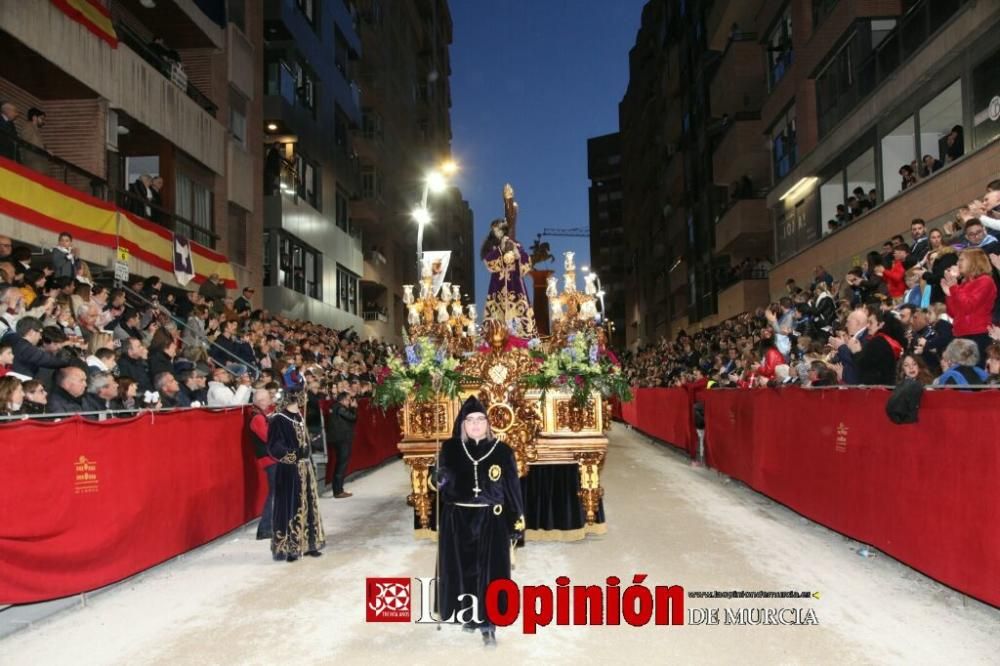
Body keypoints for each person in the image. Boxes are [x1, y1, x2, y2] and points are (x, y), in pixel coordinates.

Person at [434, 396, 525, 647]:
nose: (475, 425)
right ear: (462, 424)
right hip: (458, 519)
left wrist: (516, 522)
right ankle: (470, 615)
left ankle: (489, 623)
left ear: (488, 423)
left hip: (491, 519)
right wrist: (438, 478)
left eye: (480, 420)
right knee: (465, 570)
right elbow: (443, 482)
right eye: (470, 420)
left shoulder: (503, 451)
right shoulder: (451, 450)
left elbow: (513, 490)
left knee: (491, 573)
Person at [268, 390, 325, 562]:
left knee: (309, 504)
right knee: (291, 506)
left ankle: (309, 543)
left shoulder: (300, 416)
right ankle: (291, 547)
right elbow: (274, 446)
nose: (306, 398)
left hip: (305, 468)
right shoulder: (279, 418)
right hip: (290, 471)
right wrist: (293, 454)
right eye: (303, 395)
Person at [481, 184, 537, 339]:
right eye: (494, 230)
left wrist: (517, 255)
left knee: (518, 319)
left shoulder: (516, 245)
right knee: (496, 319)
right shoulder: (494, 247)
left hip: (515, 286)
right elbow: (489, 263)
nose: (496, 232)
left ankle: (521, 341)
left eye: (499, 229)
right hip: (497, 286)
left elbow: (526, 264)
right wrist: (501, 254)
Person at [942, 248, 996, 366]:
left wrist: (954, 288)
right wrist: (949, 294)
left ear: (974, 261)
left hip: (978, 334)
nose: (957, 264)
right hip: (960, 334)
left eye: (961, 260)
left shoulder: (985, 281)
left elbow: (968, 306)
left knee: (977, 374)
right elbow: (953, 313)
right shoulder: (962, 284)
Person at [248, 388, 277, 540]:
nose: (270, 401)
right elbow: (268, 437)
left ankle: (269, 526)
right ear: (260, 401)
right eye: (267, 398)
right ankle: (265, 528)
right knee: (275, 493)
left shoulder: (261, 416)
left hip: (272, 458)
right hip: (270, 459)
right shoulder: (257, 418)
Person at [325, 390, 356, 498]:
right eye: (349, 400)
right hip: (342, 439)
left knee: (340, 464)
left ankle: (338, 489)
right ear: (343, 400)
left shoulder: (335, 407)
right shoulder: (340, 408)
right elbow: (353, 417)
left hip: (339, 439)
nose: (350, 402)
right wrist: (353, 407)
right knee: (341, 465)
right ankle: (338, 491)